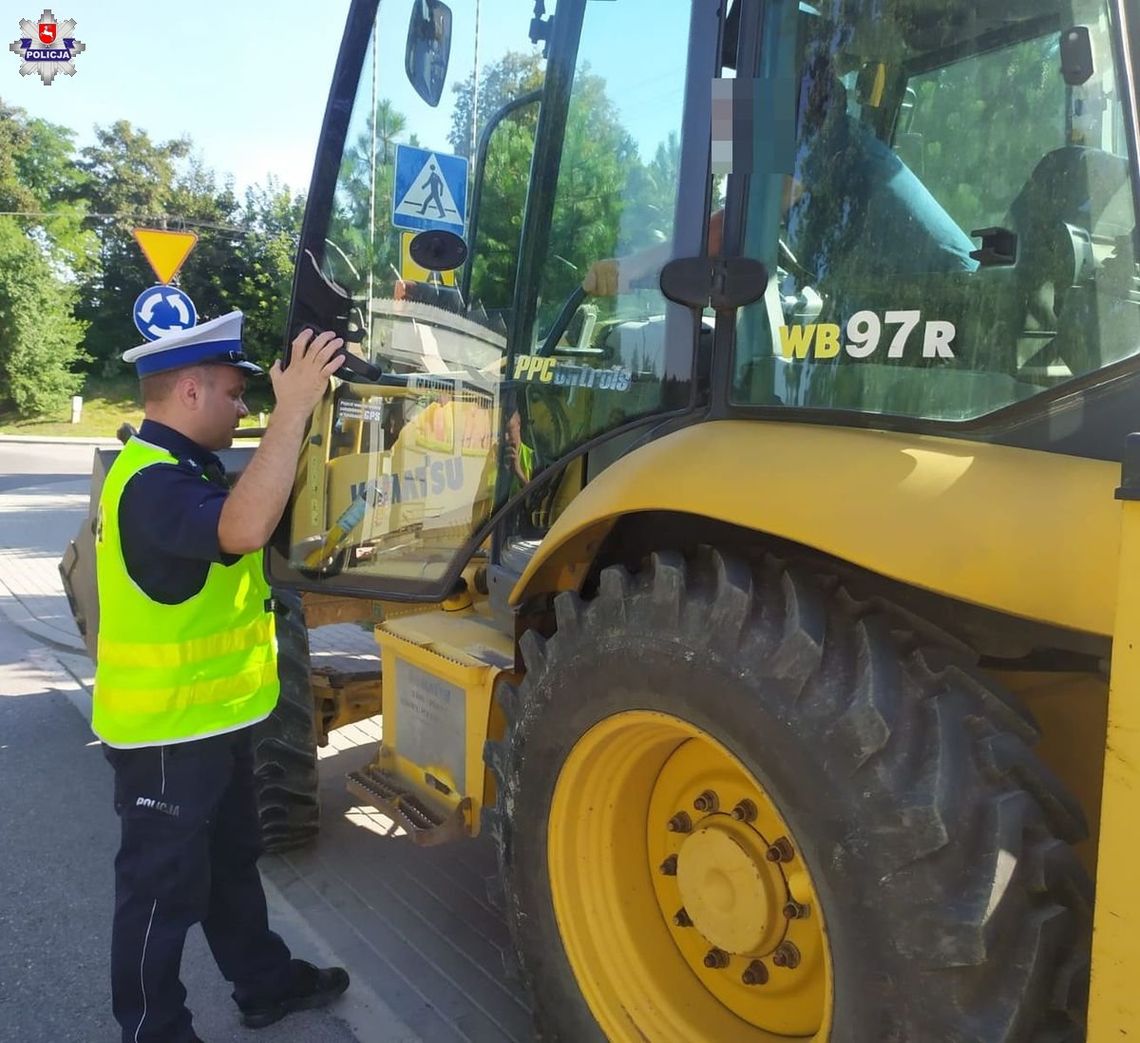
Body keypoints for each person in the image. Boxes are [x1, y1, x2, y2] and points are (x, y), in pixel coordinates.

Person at [93, 310, 348, 1043]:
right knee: (160, 891)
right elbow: (240, 530)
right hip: (167, 731)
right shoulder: (152, 484)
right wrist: (294, 404)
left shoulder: (184, 468)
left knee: (231, 861)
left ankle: (263, 983)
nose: (245, 409)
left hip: (213, 719)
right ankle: (153, 1031)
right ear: (191, 393)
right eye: (237, 394)